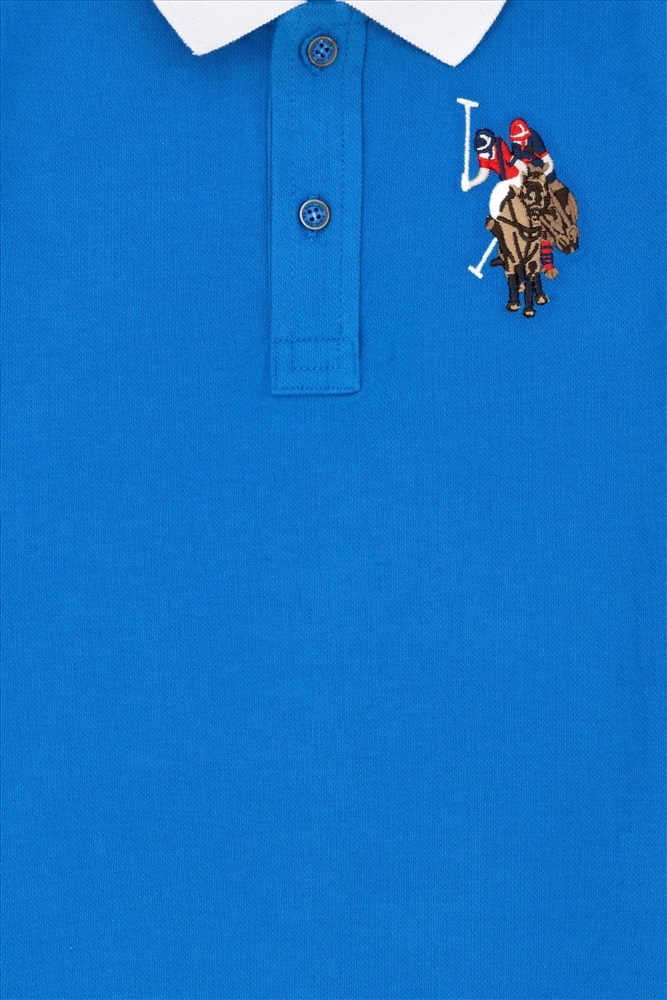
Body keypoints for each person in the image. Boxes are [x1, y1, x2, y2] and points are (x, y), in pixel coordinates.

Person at [463, 127, 526, 219]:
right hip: (506, 181)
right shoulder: (483, 156)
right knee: (497, 196)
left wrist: (524, 173)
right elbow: (483, 175)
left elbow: (511, 159)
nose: (485, 153)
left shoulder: (499, 144)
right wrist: (470, 184)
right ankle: (498, 219)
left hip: (517, 176)